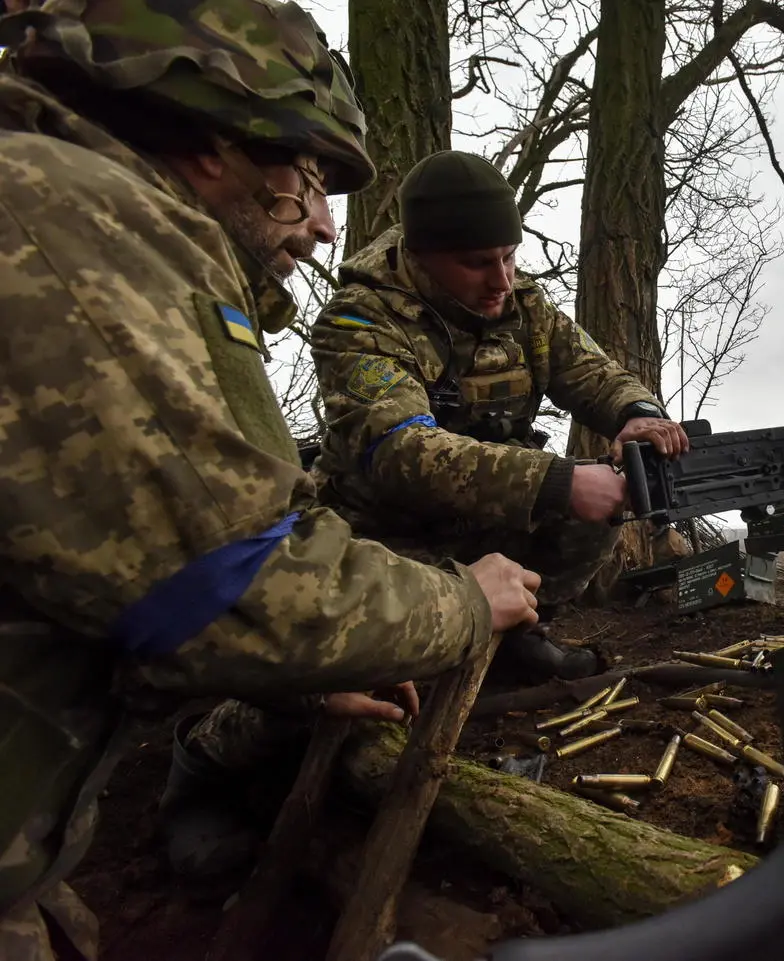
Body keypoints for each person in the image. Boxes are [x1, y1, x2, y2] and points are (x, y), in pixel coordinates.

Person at [0, 3, 540, 959]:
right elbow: (228, 589)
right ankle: (197, 781)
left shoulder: (69, 207)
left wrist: (629, 418)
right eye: (310, 179)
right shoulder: (69, 224)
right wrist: (460, 604)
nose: (326, 225)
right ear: (214, 144)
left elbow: (91, 567)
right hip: (368, 552)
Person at [306, 148, 690, 681]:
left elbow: (591, 371)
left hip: (489, 521)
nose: (502, 281)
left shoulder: (523, 304)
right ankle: (421, 653)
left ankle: (515, 637)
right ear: (422, 255)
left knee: (597, 509)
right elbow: (400, 454)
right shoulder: (356, 323)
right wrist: (557, 482)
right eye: (478, 263)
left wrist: (638, 412)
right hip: (387, 539)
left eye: (509, 257)